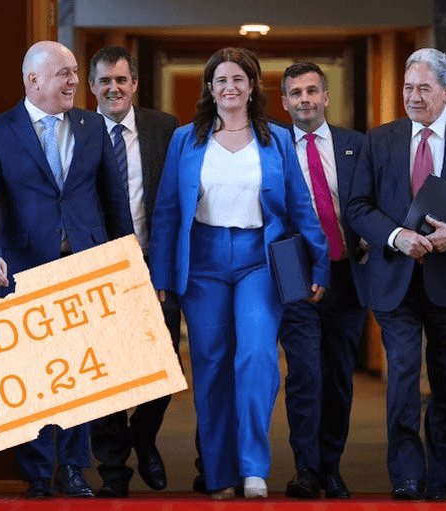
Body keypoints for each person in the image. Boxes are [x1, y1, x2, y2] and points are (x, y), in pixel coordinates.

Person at [149, 47, 329, 500]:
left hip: (259, 261)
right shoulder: (185, 140)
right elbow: (168, 212)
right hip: (203, 261)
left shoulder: (279, 140)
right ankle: (220, 472)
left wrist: (320, 262)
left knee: (256, 355)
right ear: (210, 89)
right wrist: (161, 276)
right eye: (221, 80)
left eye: (239, 80)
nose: (230, 87)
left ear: (252, 88)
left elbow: (300, 207)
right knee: (209, 365)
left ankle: (252, 467)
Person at [0, 40, 132, 499]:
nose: (76, 81)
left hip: (84, 263)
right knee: (36, 375)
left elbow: (114, 202)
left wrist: (126, 264)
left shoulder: (93, 126)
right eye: (65, 73)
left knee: (82, 372)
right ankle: (38, 473)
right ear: (33, 79)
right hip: (23, 267)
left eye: (76, 71)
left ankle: (75, 468)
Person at [345, 48, 446, 501]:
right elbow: (358, 207)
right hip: (395, 279)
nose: (413, 97)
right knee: (400, 377)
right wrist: (396, 236)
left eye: (423, 89)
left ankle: (440, 480)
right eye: (407, 88)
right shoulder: (380, 139)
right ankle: (406, 476)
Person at [87, 45, 181, 499]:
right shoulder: (77, 131)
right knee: (107, 373)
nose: (113, 88)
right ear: (92, 87)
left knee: (166, 365)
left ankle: (142, 436)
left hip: (153, 263)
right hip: (99, 268)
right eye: (104, 81)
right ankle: (113, 472)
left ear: (135, 84)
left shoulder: (165, 129)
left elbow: (178, 201)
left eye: (121, 80)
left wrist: (166, 266)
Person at [277, 62, 367, 500]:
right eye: (296, 93)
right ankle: (306, 470)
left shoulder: (356, 145)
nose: (305, 100)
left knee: (337, 378)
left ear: (326, 97)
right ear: (285, 102)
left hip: (348, 274)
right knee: (305, 375)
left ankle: (331, 466)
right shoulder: (273, 145)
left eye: (312, 91)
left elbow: (371, 203)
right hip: (296, 272)